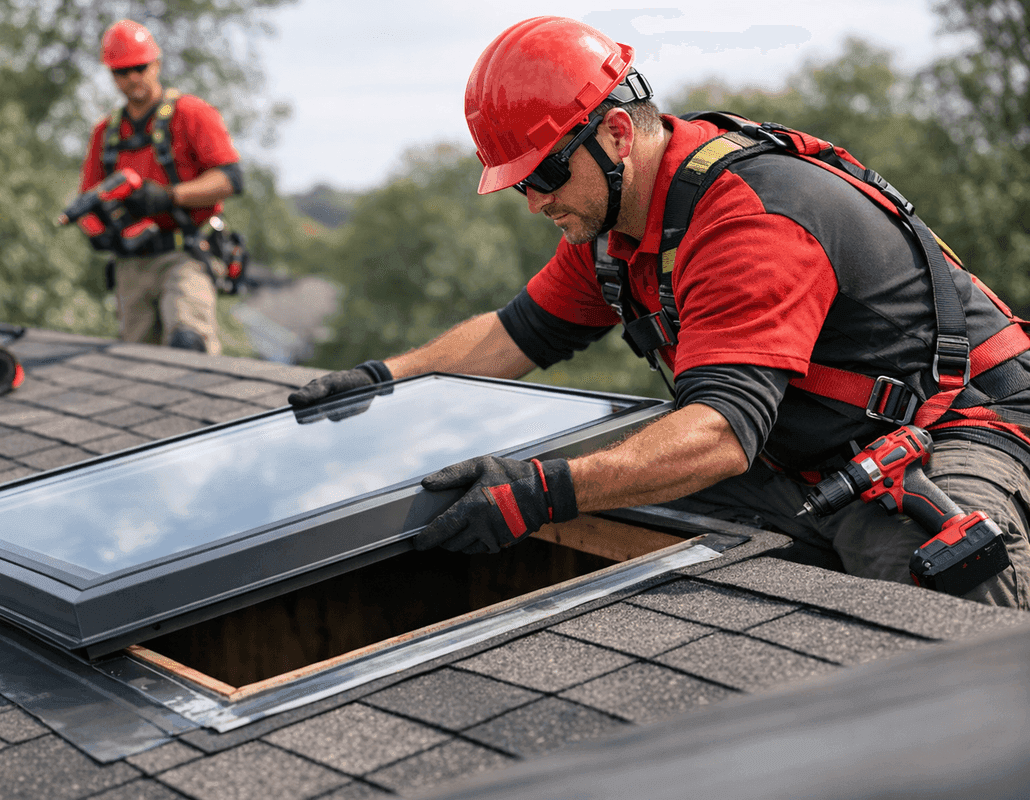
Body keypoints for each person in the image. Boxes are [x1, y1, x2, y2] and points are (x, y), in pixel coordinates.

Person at [289, 16, 1030, 609]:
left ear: (617, 134)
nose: (537, 202)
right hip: (817, 451)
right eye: (520, 186)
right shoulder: (614, 229)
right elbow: (518, 332)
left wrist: (540, 491)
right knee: (627, 499)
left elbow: (720, 435)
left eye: (546, 174)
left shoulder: (750, 221)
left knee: (930, 597)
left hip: (956, 430)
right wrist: (385, 378)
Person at [77, 19, 242, 354]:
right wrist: (97, 232)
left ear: (157, 65)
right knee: (137, 362)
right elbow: (87, 200)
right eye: (122, 72)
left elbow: (230, 178)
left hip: (185, 253)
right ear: (112, 74)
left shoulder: (192, 114)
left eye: (140, 68)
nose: (132, 78)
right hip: (130, 264)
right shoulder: (105, 133)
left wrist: (170, 196)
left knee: (188, 342)